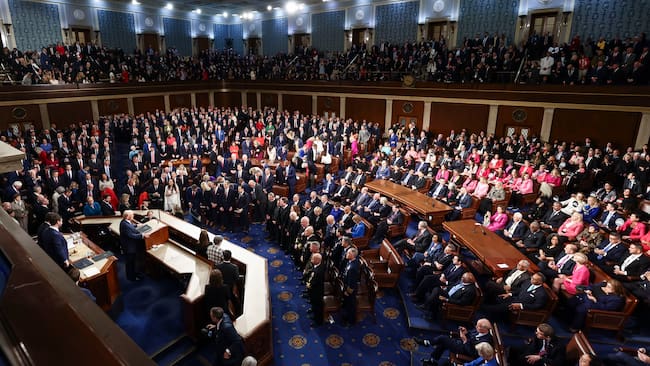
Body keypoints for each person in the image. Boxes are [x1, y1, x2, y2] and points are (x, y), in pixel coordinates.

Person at [414, 318, 493, 365]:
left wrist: (465, 340)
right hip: (461, 343)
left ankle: (427, 343)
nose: (476, 327)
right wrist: (466, 332)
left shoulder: (486, 341)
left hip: (464, 350)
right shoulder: (478, 330)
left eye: (478, 326)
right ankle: (432, 361)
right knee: (443, 343)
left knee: (442, 338)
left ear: (484, 329)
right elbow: (471, 335)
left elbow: (473, 353)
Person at [120, 210, 150, 281]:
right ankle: (131, 278)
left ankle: (133, 274)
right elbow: (131, 235)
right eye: (132, 215)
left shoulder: (125, 222)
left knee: (132, 262)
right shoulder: (124, 224)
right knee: (130, 263)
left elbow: (130, 226)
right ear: (127, 216)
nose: (133, 216)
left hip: (131, 246)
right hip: (129, 248)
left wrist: (136, 225)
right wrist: (142, 235)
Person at [341, 247, 360, 325]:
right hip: (347, 285)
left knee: (351, 306)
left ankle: (351, 321)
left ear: (352, 255)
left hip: (350, 290)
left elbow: (351, 283)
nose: (346, 254)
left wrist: (347, 292)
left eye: (348, 253)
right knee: (348, 304)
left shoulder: (352, 267)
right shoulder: (351, 261)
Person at [306, 253, 325, 326]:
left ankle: (318, 322)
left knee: (318, 307)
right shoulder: (317, 266)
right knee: (314, 305)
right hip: (314, 291)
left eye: (313, 259)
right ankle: (315, 315)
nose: (311, 260)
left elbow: (315, 281)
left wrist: (309, 284)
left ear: (317, 260)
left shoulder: (318, 271)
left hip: (317, 292)